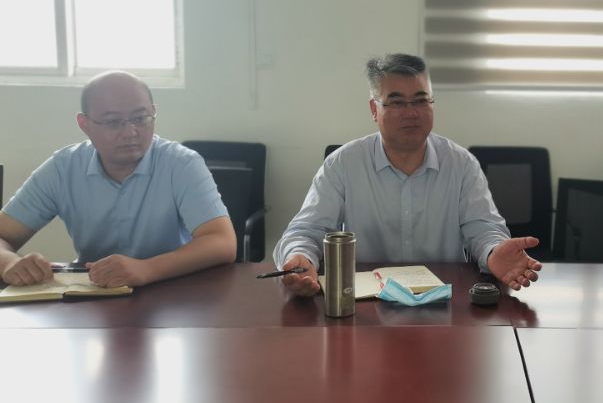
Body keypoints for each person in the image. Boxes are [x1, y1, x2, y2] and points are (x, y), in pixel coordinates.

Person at [274, 53, 542, 296]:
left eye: (421, 100)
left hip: (445, 300)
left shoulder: (461, 164)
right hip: (364, 305)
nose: (411, 112)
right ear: (374, 110)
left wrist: (494, 251)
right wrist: (300, 257)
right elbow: (307, 230)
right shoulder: (343, 164)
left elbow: (483, 228)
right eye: (396, 102)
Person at [0, 71, 236, 288]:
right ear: (85, 125)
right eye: (114, 122)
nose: (130, 132)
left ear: (153, 112)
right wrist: (9, 262)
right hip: (94, 293)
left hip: (171, 288)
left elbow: (222, 241)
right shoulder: (63, 168)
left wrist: (147, 269)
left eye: (141, 118)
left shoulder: (181, 164)